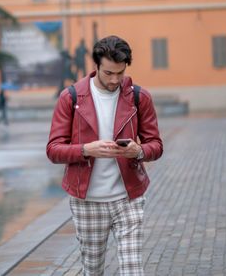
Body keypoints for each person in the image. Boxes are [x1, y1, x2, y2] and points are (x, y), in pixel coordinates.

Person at [46, 35, 163, 275]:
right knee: (93, 270)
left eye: (120, 73)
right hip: (87, 201)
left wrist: (138, 151)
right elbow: (53, 150)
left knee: (133, 269)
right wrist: (86, 150)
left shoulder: (139, 97)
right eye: (109, 73)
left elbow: (156, 145)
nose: (115, 80)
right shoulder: (71, 98)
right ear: (96, 66)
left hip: (127, 197)